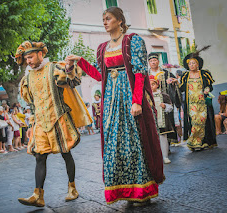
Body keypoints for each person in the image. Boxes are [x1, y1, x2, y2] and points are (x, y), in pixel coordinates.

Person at [66, 6, 164, 205]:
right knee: (114, 144)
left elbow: (139, 72)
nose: (104, 22)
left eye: (108, 18)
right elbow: (100, 75)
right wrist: (80, 61)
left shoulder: (132, 40)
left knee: (134, 140)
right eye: (103, 19)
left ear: (120, 21)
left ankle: (142, 190)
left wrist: (137, 101)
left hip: (129, 95)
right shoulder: (103, 47)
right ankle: (124, 190)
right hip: (110, 99)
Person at [16, 41, 92, 207]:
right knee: (39, 157)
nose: (28, 61)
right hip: (40, 123)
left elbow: (73, 82)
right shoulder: (27, 78)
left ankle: (72, 188)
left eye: (30, 57)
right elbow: (32, 104)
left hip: (59, 118)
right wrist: (30, 125)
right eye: (26, 58)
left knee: (66, 153)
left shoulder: (54, 68)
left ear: (40, 54)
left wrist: (70, 67)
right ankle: (38, 195)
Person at [179, 46, 217, 151]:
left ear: (198, 64)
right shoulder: (185, 76)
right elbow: (181, 88)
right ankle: (194, 142)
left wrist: (207, 89)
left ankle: (205, 142)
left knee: (205, 121)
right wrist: (174, 82)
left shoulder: (204, 74)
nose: (191, 65)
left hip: (203, 103)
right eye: (190, 63)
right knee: (194, 122)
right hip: (191, 104)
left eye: (193, 63)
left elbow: (210, 86)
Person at [148, 53, 181, 145]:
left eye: (155, 60)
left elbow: (175, 84)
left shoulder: (166, 73)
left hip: (164, 101)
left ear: (158, 61)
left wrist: (173, 83)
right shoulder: (146, 75)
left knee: (167, 121)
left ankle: (167, 143)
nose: (153, 62)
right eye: (151, 61)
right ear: (149, 63)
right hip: (151, 101)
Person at [150, 76, 174, 164]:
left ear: (157, 85)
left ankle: (165, 156)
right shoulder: (146, 97)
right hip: (151, 121)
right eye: (149, 84)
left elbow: (170, 107)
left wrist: (165, 106)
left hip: (162, 121)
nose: (151, 86)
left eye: (153, 84)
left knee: (163, 138)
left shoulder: (164, 95)